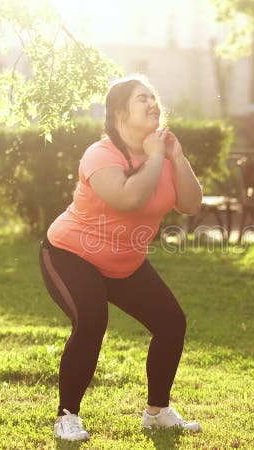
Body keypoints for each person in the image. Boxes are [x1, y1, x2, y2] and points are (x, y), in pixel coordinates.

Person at [38, 75, 203, 441]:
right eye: (142, 98)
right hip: (70, 254)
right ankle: (67, 416)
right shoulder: (101, 155)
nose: (152, 105)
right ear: (118, 112)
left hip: (124, 262)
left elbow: (190, 204)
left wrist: (176, 156)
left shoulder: (161, 156)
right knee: (92, 319)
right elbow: (128, 197)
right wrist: (158, 157)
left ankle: (157, 412)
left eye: (154, 98)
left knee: (171, 323)